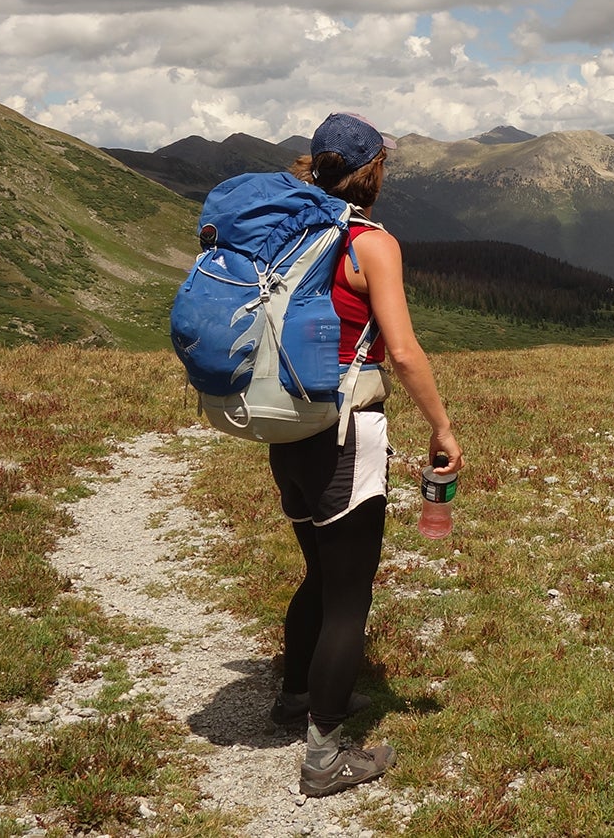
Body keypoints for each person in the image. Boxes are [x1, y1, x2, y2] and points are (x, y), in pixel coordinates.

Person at [265, 111, 464, 798]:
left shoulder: (286, 230)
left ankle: (295, 697)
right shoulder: (369, 242)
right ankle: (324, 759)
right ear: (373, 171)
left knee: (318, 571)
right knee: (351, 594)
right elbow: (402, 351)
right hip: (346, 429)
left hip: (285, 428)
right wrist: (442, 427)